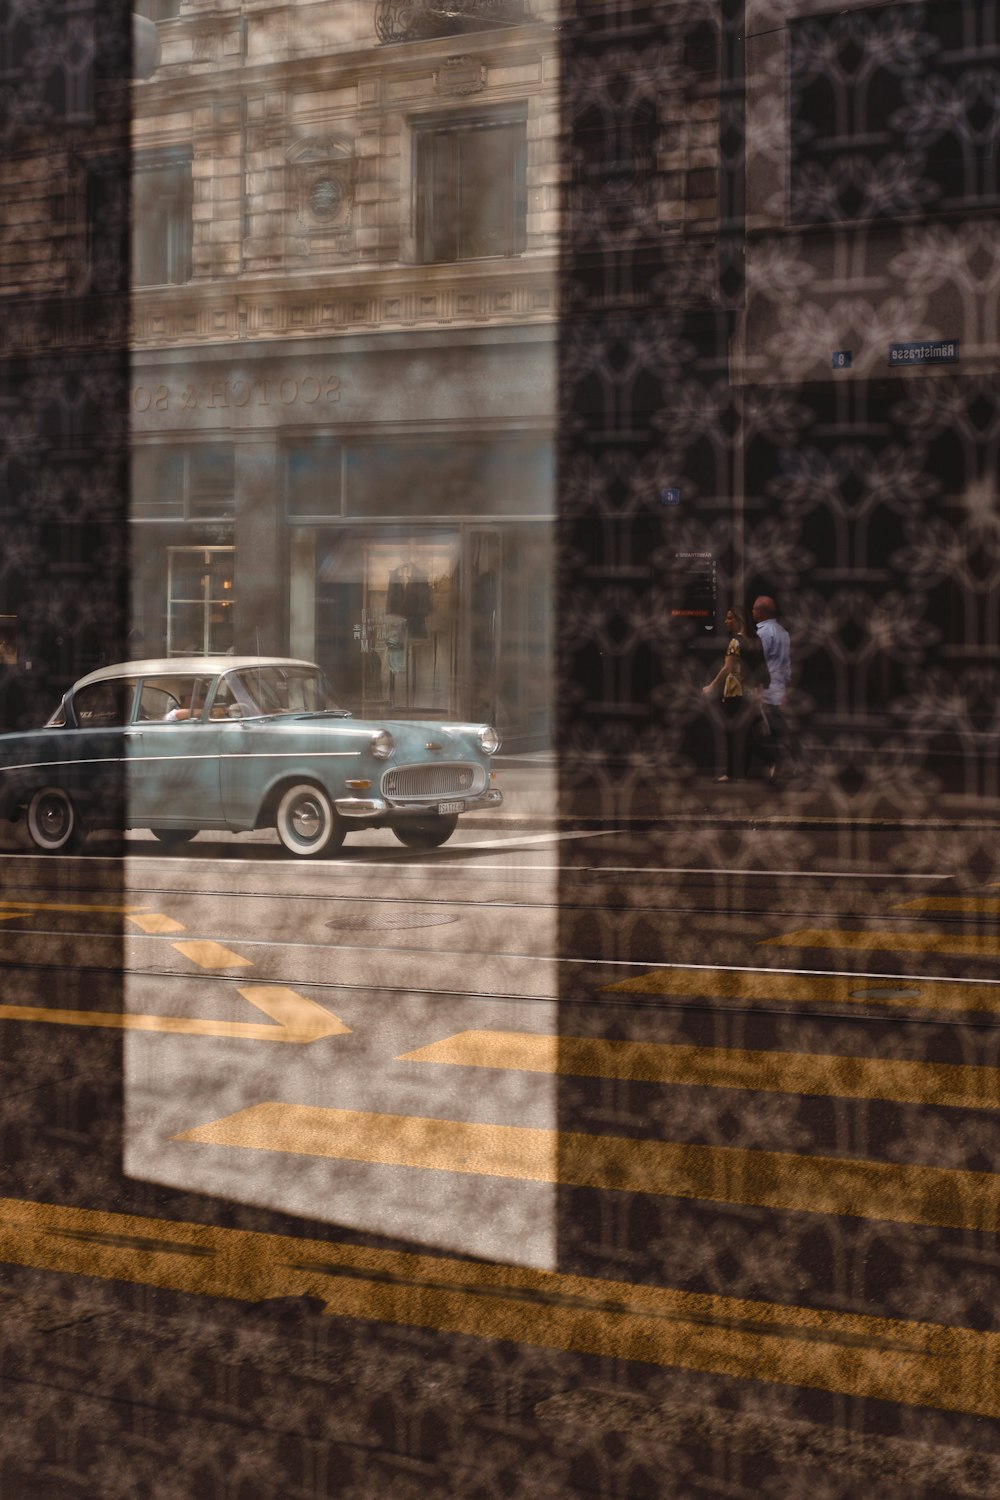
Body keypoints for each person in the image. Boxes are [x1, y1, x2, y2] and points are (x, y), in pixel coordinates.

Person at [702, 606, 768, 782]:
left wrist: (712, 685)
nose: (726, 621)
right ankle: (738, 773)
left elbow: (728, 667)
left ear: (739, 620)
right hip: (751, 693)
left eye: (730, 618)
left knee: (734, 734)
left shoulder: (735, 642)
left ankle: (766, 761)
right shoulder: (755, 641)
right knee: (744, 735)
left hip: (735, 693)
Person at [749, 595, 791, 782]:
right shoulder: (782, 632)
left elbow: (759, 662)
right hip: (779, 686)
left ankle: (777, 763)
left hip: (765, 688)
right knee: (776, 728)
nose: (751, 612)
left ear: (760, 612)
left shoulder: (763, 633)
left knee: (764, 729)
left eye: (753, 609)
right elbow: (786, 662)